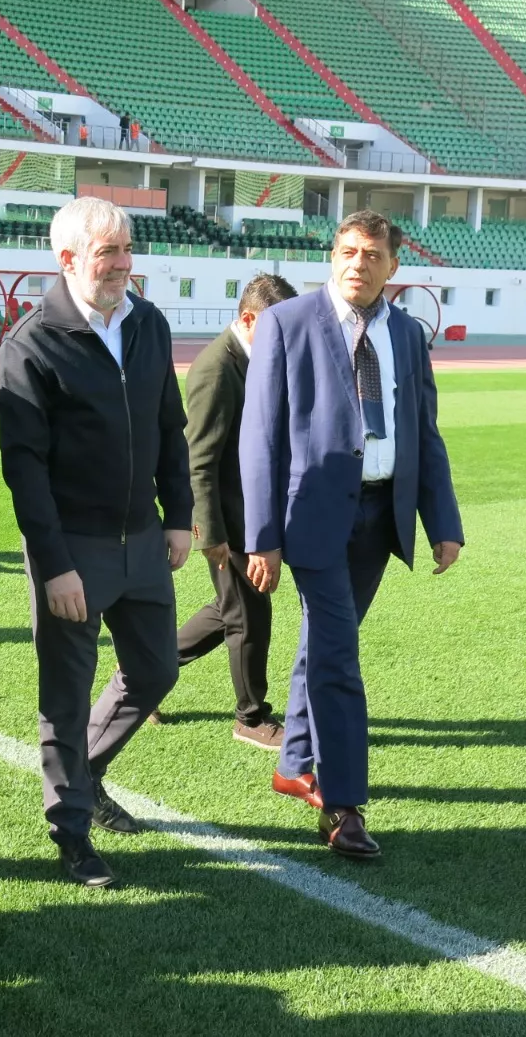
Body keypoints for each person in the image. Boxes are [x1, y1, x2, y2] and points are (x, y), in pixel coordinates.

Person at [241, 209, 464, 861]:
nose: (357, 264)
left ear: (392, 265)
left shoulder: (408, 335)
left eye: (371, 254)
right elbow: (259, 437)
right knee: (338, 657)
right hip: (312, 518)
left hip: (380, 516)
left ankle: (293, 763)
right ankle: (342, 805)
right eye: (347, 251)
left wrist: (443, 522)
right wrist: (262, 537)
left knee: (323, 646)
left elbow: (424, 432)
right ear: (332, 256)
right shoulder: (287, 323)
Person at [0, 196, 191, 890]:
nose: (123, 264)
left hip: (143, 539)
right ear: (69, 258)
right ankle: (72, 831)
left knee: (157, 671)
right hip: (74, 549)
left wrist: (179, 513)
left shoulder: (148, 322)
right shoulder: (31, 344)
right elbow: (24, 470)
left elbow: (169, 425)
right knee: (66, 696)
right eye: (109, 252)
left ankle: (87, 772)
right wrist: (54, 564)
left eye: (127, 249)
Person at [171, 273, 297, 750]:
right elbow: (198, 459)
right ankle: (250, 716)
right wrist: (209, 533)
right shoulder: (216, 369)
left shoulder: (250, 359)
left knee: (232, 608)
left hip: (251, 512)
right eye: (277, 328)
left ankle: (144, 668)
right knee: (248, 613)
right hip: (228, 518)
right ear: (248, 319)